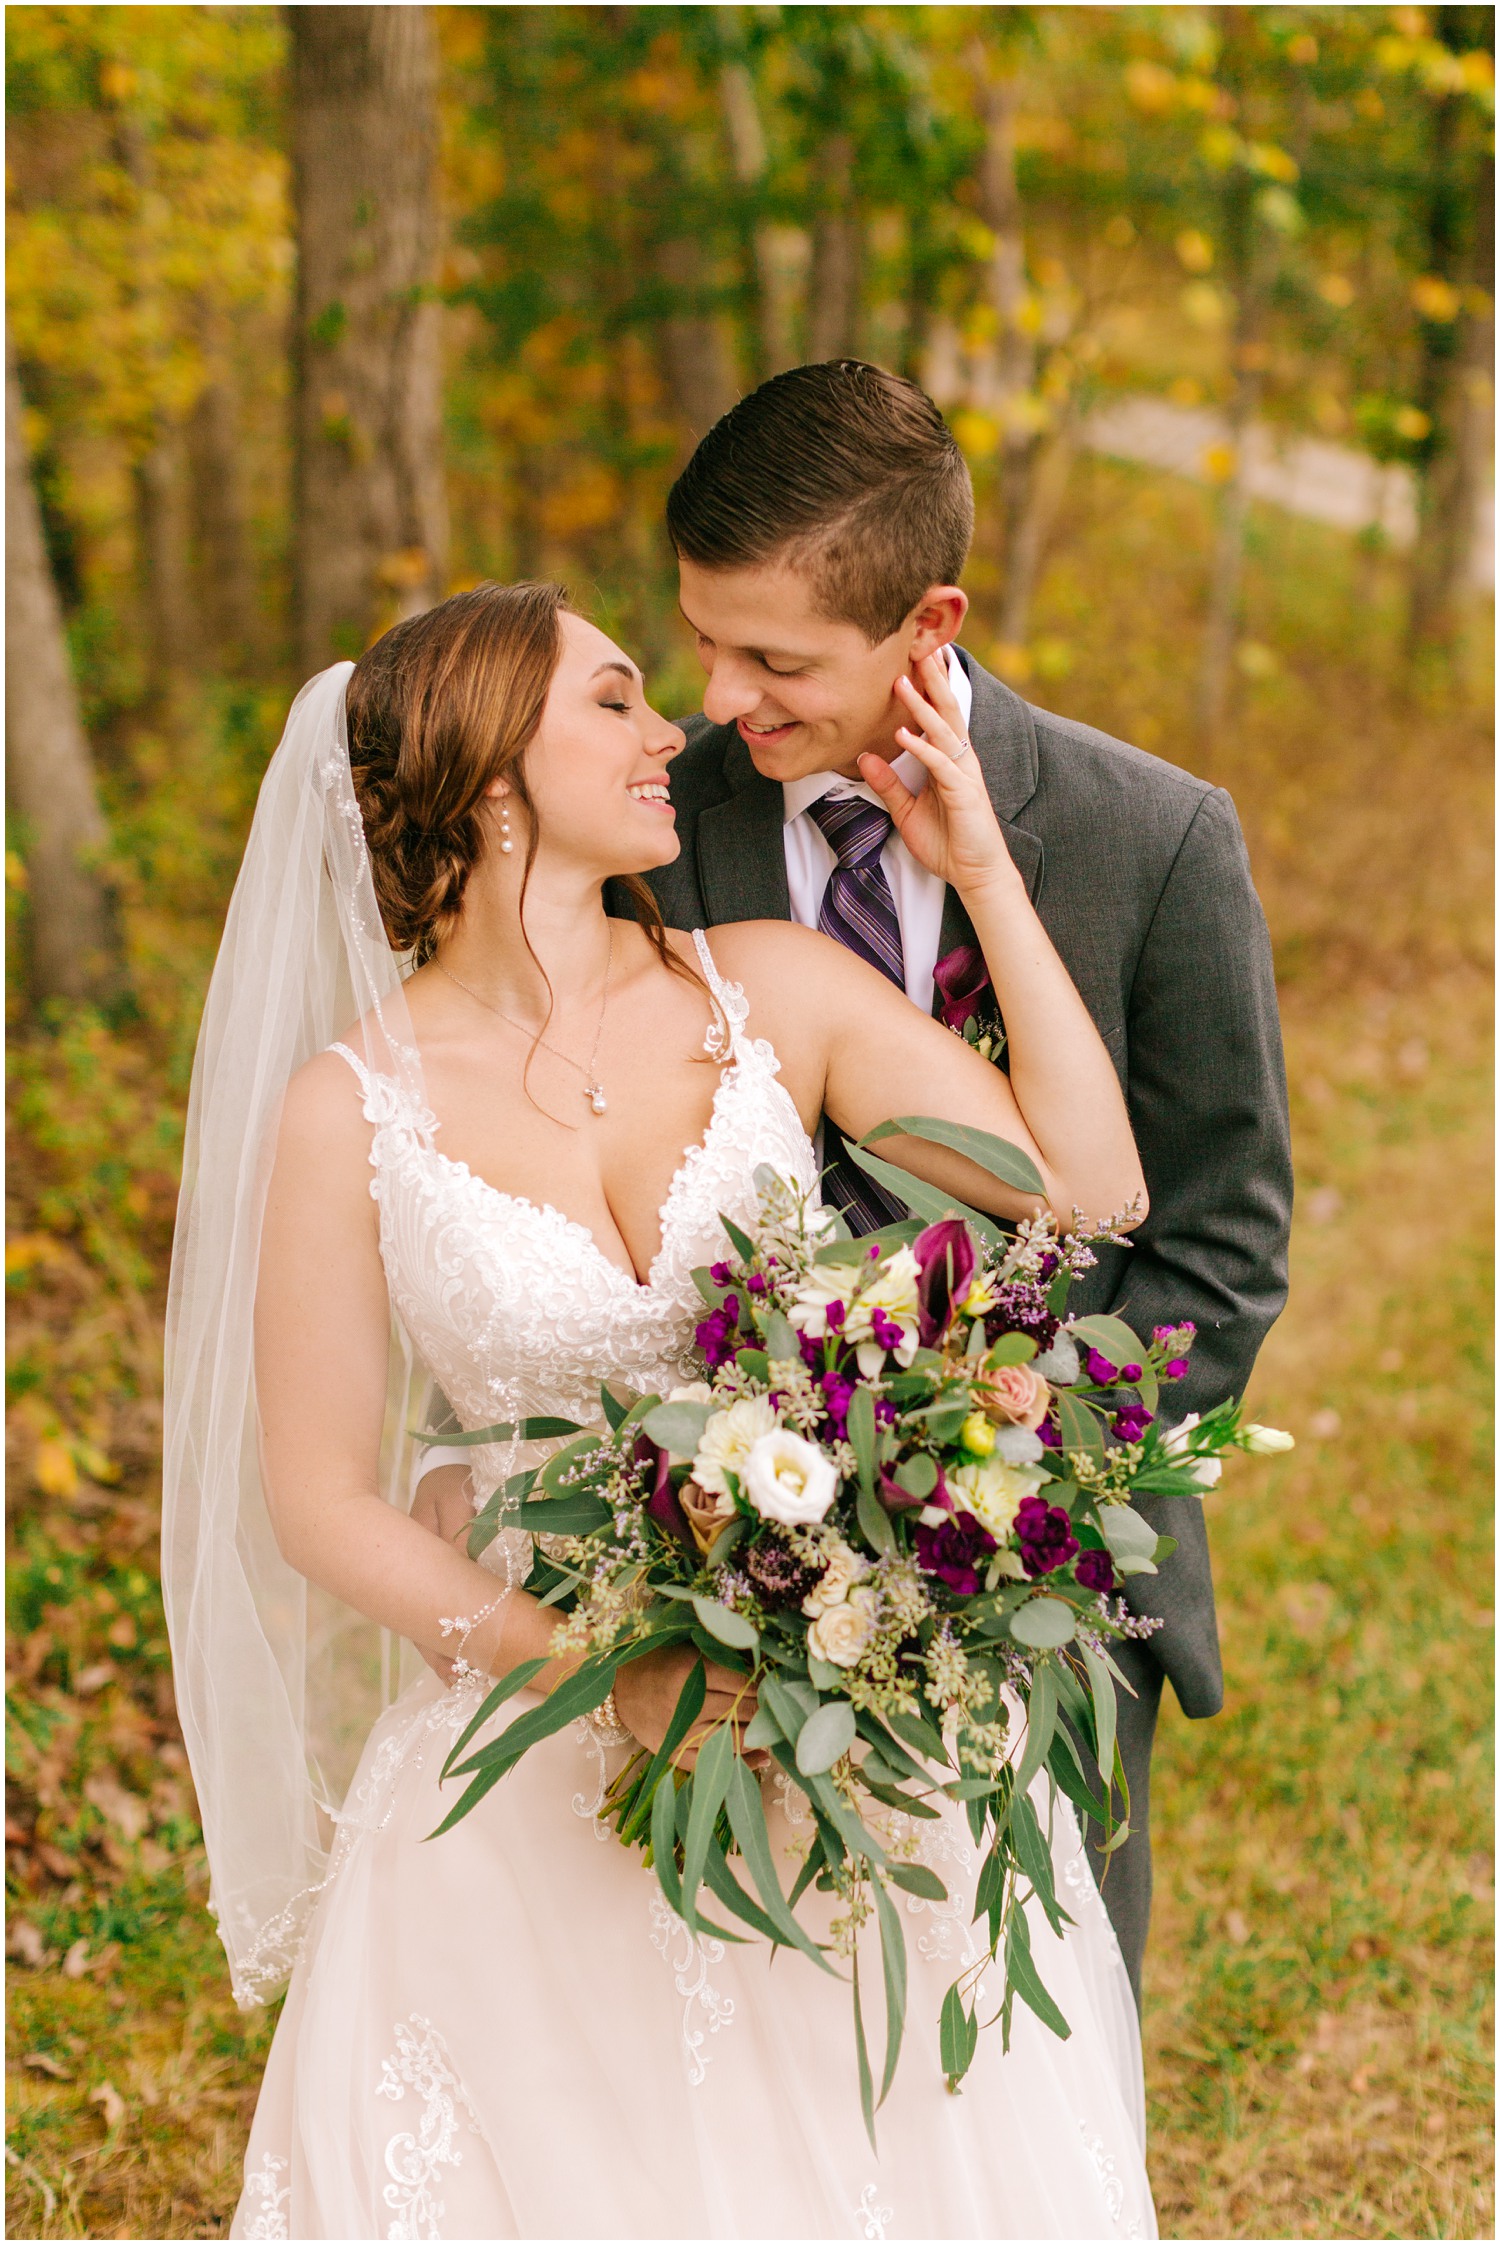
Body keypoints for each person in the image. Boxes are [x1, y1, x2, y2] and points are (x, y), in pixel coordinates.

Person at [165, 578, 1161, 2238]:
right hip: (540, 1712)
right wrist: (606, 1673)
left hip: (846, 1700)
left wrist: (976, 860)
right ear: (495, 776)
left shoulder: (766, 989)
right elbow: (322, 1494)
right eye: (616, 702)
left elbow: (1089, 1183)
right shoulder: (348, 1108)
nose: (675, 732)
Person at [635, 360, 1292, 2002]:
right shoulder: (656, 830)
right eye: (703, 638)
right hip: (738, 1563)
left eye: (776, 659)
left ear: (929, 621)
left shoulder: (1155, 837)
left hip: (1051, 1558)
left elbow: (1220, 1239)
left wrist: (1014, 1476)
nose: (720, 696)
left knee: (1038, 2019)